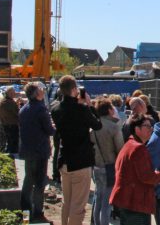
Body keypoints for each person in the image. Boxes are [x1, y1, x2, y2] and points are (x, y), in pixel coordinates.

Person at [51, 75, 102, 225]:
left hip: (64, 159)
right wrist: (89, 104)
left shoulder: (55, 109)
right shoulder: (81, 109)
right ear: (74, 90)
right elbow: (98, 125)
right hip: (80, 161)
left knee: (67, 202)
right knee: (78, 206)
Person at [111, 113, 160, 225]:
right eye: (147, 126)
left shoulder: (130, 144)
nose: (151, 129)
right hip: (135, 202)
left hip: (128, 200)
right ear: (137, 129)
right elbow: (146, 176)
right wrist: (159, 176)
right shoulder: (138, 148)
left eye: (151, 126)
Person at [19, 82, 56, 224]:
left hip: (28, 150)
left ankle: (25, 213)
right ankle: (38, 213)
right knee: (39, 183)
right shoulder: (41, 109)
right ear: (36, 93)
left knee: (28, 181)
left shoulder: (24, 109)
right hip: (40, 151)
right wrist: (53, 127)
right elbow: (49, 130)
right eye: (40, 89)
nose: (43, 91)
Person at [91, 97, 124, 225]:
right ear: (110, 110)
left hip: (96, 166)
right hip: (110, 166)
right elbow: (120, 149)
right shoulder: (113, 127)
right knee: (107, 202)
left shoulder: (93, 127)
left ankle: (96, 223)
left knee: (98, 198)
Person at [0, 86, 20, 156]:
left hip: (7, 125)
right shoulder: (9, 102)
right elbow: (18, 113)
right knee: (13, 143)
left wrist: (16, 104)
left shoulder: (4, 101)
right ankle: (12, 156)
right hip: (11, 125)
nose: (15, 94)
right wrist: (18, 105)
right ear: (10, 93)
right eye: (13, 92)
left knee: (10, 141)